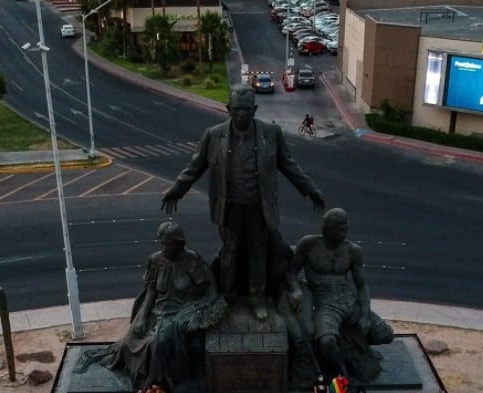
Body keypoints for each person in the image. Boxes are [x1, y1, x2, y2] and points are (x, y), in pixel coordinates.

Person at [162, 84, 324, 320]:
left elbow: (289, 165)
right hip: (229, 210)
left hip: (259, 209)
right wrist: (176, 190)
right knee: (230, 254)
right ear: (228, 109)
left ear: (255, 109)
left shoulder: (271, 134)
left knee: (258, 255)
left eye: (246, 109)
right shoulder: (213, 135)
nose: (241, 114)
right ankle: (228, 297)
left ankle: (257, 299)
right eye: (237, 109)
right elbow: (194, 167)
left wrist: (310, 190)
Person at [79, 223, 226, 392]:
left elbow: (208, 293)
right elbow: (151, 292)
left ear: (179, 244)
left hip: (181, 313)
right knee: (127, 343)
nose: (163, 248)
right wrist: (142, 317)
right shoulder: (155, 260)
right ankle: (138, 373)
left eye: (168, 244)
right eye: (161, 243)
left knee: (158, 343)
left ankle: (157, 385)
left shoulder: (193, 261)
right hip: (157, 310)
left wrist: (193, 314)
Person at [287, 208, 394, 377]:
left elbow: (362, 286)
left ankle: (361, 347)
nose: (344, 232)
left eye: (346, 228)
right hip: (326, 304)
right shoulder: (309, 244)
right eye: (339, 228)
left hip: (349, 301)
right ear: (326, 228)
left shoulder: (352, 251)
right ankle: (342, 377)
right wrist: (296, 290)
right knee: (327, 342)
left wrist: (365, 314)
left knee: (386, 335)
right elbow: (290, 272)